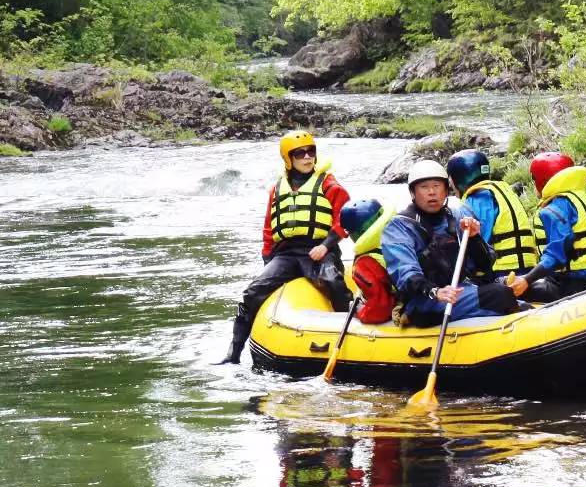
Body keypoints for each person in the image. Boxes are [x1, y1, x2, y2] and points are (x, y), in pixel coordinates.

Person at [220, 132, 351, 363]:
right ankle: (234, 352)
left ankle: (347, 338)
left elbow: (345, 221)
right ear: (288, 159)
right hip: (287, 253)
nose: (307, 157)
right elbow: (269, 229)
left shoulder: (330, 185)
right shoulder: (277, 189)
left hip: (320, 250)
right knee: (253, 292)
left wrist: (326, 246)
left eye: (311, 151)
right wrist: (268, 260)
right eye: (300, 153)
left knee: (333, 281)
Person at [381, 159, 525, 327]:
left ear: (446, 190)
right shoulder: (399, 227)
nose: (432, 192)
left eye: (437, 186)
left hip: (460, 289)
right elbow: (404, 273)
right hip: (426, 300)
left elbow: (485, 265)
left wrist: (474, 238)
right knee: (499, 295)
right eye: (424, 187)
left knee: (515, 298)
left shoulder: (458, 216)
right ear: (413, 192)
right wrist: (434, 291)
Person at [519, 151, 586, 301]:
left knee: (506, 291)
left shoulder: (556, 207)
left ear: (542, 181)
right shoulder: (578, 198)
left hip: (570, 283)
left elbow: (556, 254)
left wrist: (526, 279)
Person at [449, 147, 538, 284]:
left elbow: (479, 244)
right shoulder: (503, 190)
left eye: (451, 183)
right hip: (529, 268)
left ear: (458, 179)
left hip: (502, 272)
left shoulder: (478, 198)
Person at [342, 199, 394, 324]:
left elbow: (380, 310)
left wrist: (359, 311)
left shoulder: (364, 263)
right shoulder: (401, 231)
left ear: (357, 232)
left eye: (348, 232)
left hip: (407, 305)